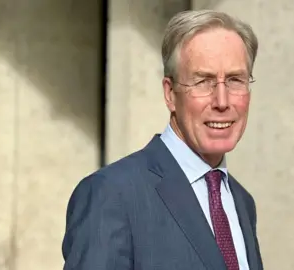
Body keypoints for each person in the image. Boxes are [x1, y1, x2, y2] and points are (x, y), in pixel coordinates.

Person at [62, 9, 263, 270]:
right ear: (170, 94)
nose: (222, 102)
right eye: (203, 81)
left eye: (236, 80)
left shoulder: (241, 202)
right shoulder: (113, 194)